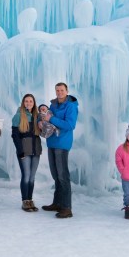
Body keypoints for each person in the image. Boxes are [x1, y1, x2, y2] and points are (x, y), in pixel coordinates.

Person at [41, 82, 78, 219]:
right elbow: (49, 121)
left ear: (67, 91)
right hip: (52, 142)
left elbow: (70, 125)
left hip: (62, 143)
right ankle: (57, 203)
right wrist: (42, 121)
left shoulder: (71, 106)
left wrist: (52, 118)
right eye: (57, 90)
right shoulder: (53, 105)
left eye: (62, 90)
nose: (59, 92)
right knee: (56, 175)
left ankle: (67, 208)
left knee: (63, 176)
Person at [11, 93, 43, 212]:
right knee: (26, 176)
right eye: (26, 101)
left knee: (32, 177)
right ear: (23, 103)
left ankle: (30, 200)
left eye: (31, 101)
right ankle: (25, 201)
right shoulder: (18, 116)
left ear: (34, 103)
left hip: (36, 150)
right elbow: (15, 136)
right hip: (24, 150)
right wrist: (20, 151)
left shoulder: (37, 116)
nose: (28, 103)